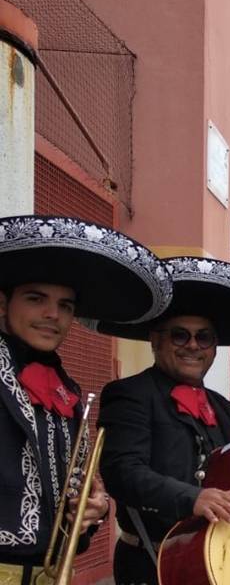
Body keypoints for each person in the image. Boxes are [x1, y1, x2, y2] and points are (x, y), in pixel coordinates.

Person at [94, 256, 230, 585]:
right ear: (156, 339)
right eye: (180, 335)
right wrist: (191, 497)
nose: (193, 345)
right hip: (153, 562)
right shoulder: (129, 394)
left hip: (217, 561)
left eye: (204, 337)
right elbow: (122, 472)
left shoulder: (219, 406)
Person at [0, 214, 171, 584]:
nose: (52, 315)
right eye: (36, 299)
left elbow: (75, 496)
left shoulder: (70, 393)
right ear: (3, 302)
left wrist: (94, 510)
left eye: (65, 305)